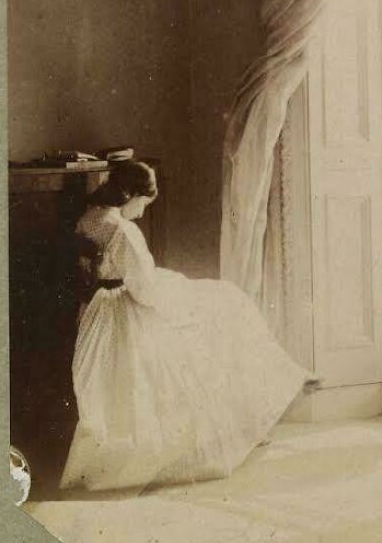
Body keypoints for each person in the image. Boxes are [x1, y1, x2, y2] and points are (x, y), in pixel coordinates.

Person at [60, 160, 314, 492]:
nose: (144, 210)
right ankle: (245, 417)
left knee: (210, 307)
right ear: (131, 195)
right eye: (144, 203)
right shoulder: (123, 230)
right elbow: (145, 290)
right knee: (221, 309)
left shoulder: (90, 217)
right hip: (126, 310)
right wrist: (179, 292)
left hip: (95, 312)